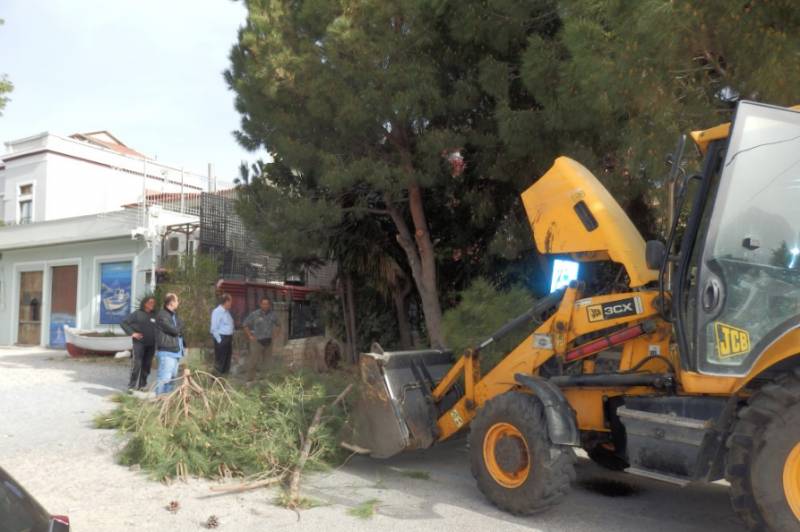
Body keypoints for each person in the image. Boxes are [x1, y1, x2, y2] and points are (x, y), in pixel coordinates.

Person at [120, 296, 157, 391]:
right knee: (137, 364)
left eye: (154, 302)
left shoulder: (155, 315)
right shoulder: (137, 314)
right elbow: (124, 323)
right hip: (139, 344)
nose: (152, 304)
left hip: (151, 345)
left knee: (147, 365)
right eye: (150, 302)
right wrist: (133, 333)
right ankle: (131, 386)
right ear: (145, 303)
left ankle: (142, 385)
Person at [242, 296, 280, 382]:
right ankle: (249, 380)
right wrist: (250, 336)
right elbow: (245, 324)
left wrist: (276, 334)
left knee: (266, 362)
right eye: (263, 303)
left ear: (269, 305)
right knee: (253, 361)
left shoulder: (273, 315)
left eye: (267, 304)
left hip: (268, 342)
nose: (265, 305)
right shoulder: (255, 314)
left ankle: (263, 379)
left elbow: (278, 325)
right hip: (257, 342)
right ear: (260, 304)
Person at [154, 293, 184, 395]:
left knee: (172, 380)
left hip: (175, 352)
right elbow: (174, 330)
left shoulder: (174, 315)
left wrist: (179, 328)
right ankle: (158, 401)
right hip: (167, 351)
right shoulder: (162, 315)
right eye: (177, 300)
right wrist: (179, 328)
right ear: (171, 302)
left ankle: (167, 403)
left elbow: (180, 327)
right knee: (164, 378)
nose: (178, 303)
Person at [210, 293, 235, 375]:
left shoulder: (227, 312)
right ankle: (215, 381)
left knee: (227, 361)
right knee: (220, 361)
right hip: (222, 339)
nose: (231, 303)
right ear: (226, 301)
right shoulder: (217, 311)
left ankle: (223, 380)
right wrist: (220, 341)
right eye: (230, 301)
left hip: (228, 339)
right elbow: (214, 328)